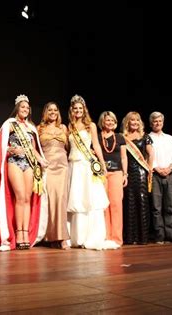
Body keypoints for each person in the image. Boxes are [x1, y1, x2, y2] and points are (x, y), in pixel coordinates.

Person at [0, 94, 49, 250]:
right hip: (14, 162)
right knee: (20, 197)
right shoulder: (9, 124)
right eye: (23, 107)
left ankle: (24, 233)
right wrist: (11, 149)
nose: (25, 110)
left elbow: (34, 149)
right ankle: (17, 231)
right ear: (17, 108)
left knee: (27, 199)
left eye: (27, 108)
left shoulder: (31, 127)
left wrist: (41, 160)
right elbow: (2, 146)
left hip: (29, 164)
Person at [66, 95, 114, 250]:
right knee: (77, 199)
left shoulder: (91, 126)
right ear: (72, 111)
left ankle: (91, 236)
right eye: (75, 109)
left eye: (80, 108)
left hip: (87, 166)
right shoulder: (69, 127)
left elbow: (97, 146)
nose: (78, 111)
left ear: (84, 110)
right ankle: (77, 237)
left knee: (89, 199)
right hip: (74, 165)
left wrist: (101, 164)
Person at [37, 102, 70, 249]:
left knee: (61, 200)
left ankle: (62, 237)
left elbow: (70, 146)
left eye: (55, 110)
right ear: (45, 112)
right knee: (49, 200)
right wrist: (40, 161)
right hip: (48, 166)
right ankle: (49, 236)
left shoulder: (63, 128)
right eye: (50, 110)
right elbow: (33, 147)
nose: (53, 112)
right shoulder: (39, 128)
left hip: (62, 166)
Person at [148, 111, 172, 244]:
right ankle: (159, 235)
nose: (158, 123)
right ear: (151, 123)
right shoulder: (148, 137)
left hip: (170, 174)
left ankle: (170, 234)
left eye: (160, 121)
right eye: (155, 121)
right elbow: (147, 155)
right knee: (157, 207)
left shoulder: (169, 138)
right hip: (155, 174)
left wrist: (169, 168)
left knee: (170, 206)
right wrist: (156, 168)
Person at [122, 111, 153, 245]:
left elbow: (151, 154)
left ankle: (143, 237)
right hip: (129, 172)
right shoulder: (123, 137)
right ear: (127, 122)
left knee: (142, 202)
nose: (134, 122)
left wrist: (149, 169)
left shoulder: (145, 136)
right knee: (130, 203)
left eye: (137, 120)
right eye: (131, 120)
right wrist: (124, 173)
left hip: (141, 172)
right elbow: (123, 157)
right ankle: (130, 237)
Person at [98, 111, 127, 247]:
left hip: (116, 173)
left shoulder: (119, 137)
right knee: (104, 205)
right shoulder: (97, 137)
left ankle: (116, 238)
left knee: (116, 204)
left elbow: (123, 157)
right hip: (101, 174)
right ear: (102, 122)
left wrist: (125, 174)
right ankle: (106, 236)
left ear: (115, 123)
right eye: (106, 120)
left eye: (111, 120)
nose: (109, 122)